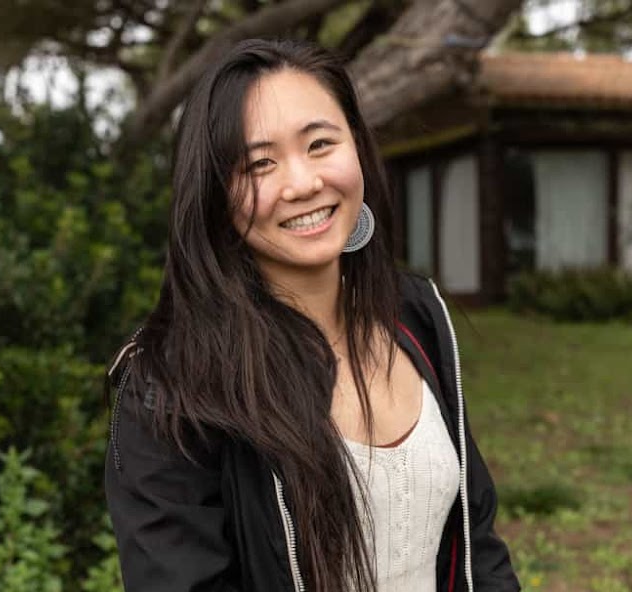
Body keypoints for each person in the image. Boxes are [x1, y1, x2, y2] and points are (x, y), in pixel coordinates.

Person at [104, 38, 519, 592]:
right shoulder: (173, 384)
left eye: (320, 144)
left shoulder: (417, 314)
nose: (302, 184)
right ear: (214, 193)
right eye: (260, 164)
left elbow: (476, 543)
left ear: (358, 146)